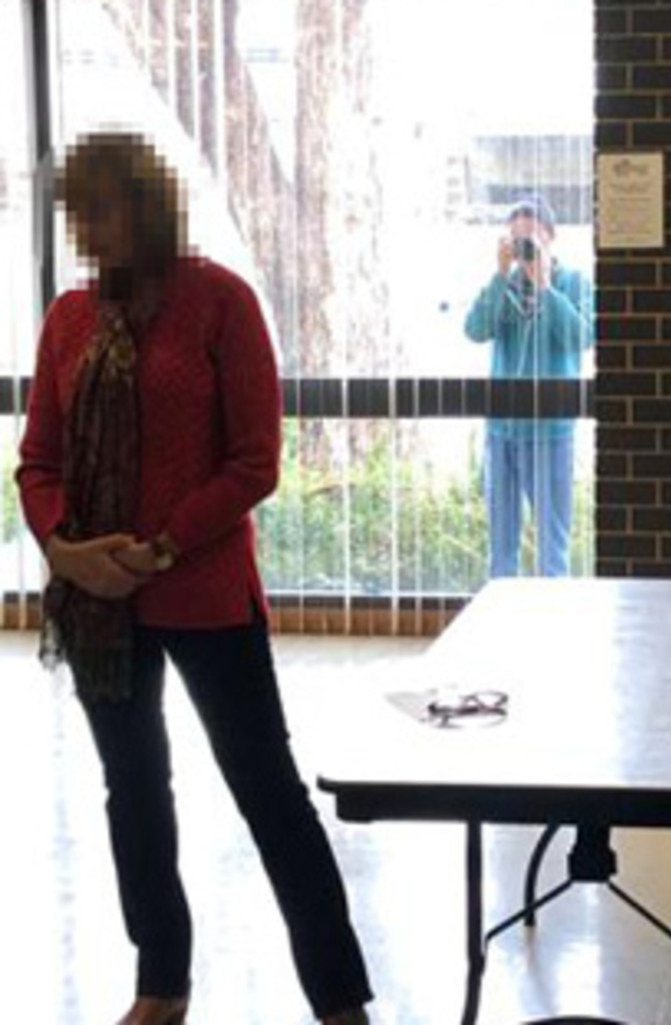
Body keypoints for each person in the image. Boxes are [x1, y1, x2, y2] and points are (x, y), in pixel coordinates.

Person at [16, 131, 372, 1025]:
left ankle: (339, 1001)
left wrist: (163, 547)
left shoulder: (219, 302)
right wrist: (66, 550)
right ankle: (161, 986)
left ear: (148, 203)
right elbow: (38, 462)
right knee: (132, 790)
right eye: (77, 213)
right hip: (99, 602)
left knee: (268, 794)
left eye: (103, 208)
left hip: (204, 593)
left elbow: (256, 461)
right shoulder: (69, 319)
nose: (89, 229)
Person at [464, 194, 593, 577]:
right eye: (516, 239)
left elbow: (581, 338)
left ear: (550, 237)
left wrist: (546, 287)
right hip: (502, 429)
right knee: (501, 546)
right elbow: (475, 329)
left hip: (551, 430)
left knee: (553, 546)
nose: (524, 248)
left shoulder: (573, 282)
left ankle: (555, 622)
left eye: (531, 239)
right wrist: (501, 275)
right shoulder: (504, 285)